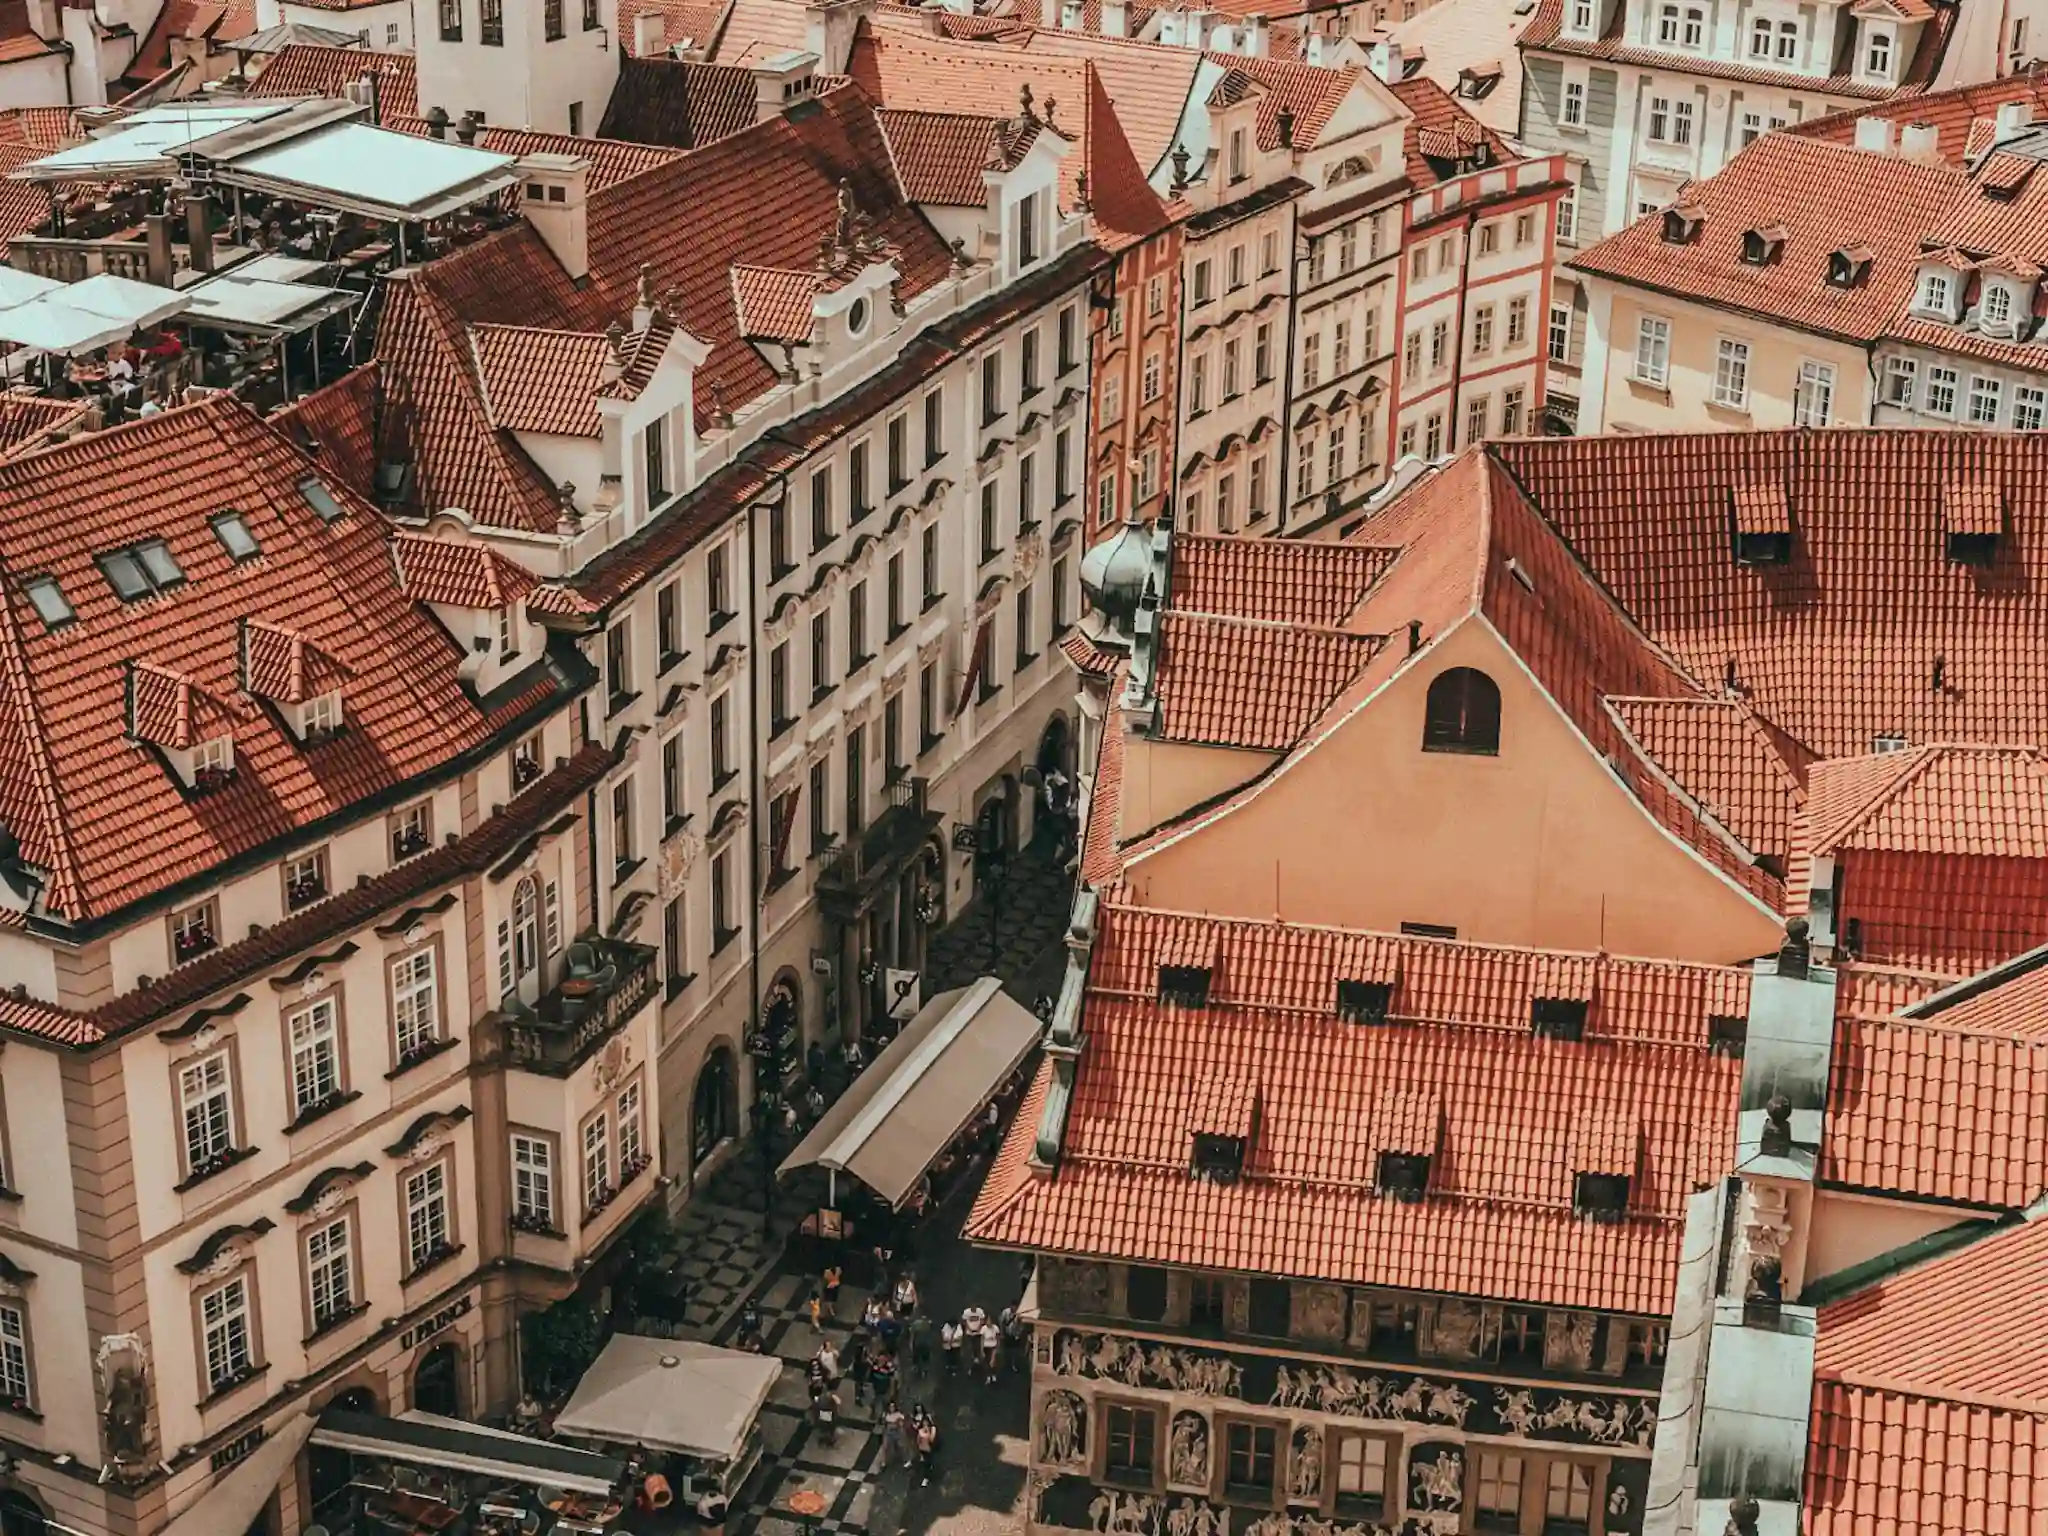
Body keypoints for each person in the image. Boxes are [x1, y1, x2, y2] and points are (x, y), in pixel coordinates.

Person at [915, 1408, 939, 1487]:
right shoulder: (920, 1431)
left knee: (928, 1463)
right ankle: (926, 1476)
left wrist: (928, 1432)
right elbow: (918, 1440)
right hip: (922, 1449)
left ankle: (927, 1477)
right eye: (924, 1423)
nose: (925, 1425)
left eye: (926, 1423)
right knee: (926, 1464)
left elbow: (932, 1439)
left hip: (930, 1449)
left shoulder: (932, 1429)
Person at [908, 1311, 934, 1377]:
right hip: (926, 1344)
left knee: (916, 1356)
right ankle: (925, 1369)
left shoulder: (915, 1324)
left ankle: (916, 1367)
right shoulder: (929, 1324)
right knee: (925, 1357)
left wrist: (911, 1344)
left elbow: (912, 1334)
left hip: (918, 1343)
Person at [980, 1315, 1003, 1384]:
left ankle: (993, 1375)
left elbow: (998, 1338)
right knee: (987, 1363)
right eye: (988, 1320)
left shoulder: (995, 1328)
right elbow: (982, 1339)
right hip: (986, 1347)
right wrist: (981, 1350)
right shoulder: (983, 1328)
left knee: (993, 1362)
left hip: (993, 1347)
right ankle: (988, 1376)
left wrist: (998, 1347)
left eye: (990, 1320)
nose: (989, 1322)